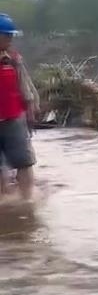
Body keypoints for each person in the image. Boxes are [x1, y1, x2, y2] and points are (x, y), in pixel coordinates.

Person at [0, 13, 39, 201]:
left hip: (14, 119)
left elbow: (25, 86)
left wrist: (31, 108)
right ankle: (5, 203)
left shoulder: (14, 59)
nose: (10, 39)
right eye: (6, 35)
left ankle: (27, 201)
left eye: (11, 35)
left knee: (24, 162)